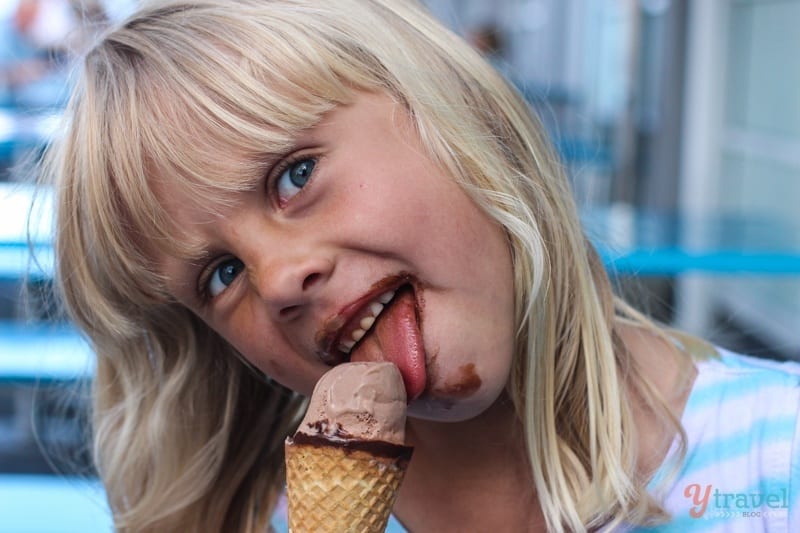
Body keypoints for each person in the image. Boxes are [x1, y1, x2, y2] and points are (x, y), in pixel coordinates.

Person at [45, 0, 800, 531]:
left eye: (295, 175)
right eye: (219, 275)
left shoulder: (779, 460)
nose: (276, 281)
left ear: (451, 111)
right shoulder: (251, 516)